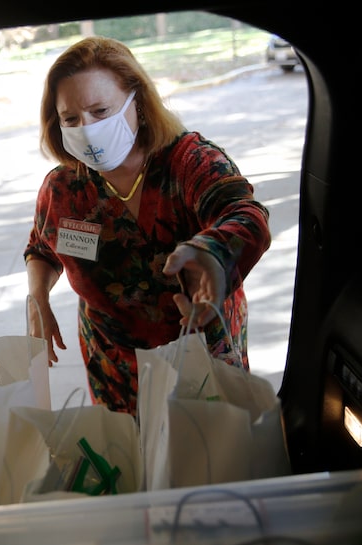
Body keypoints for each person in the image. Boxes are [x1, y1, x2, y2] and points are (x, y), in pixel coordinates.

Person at [24, 36, 271, 415]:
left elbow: (245, 215)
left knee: (210, 458)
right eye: (71, 119)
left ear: (136, 102)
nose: (87, 129)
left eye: (100, 111)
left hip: (199, 353)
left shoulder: (190, 163)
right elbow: (42, 248)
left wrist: (212, 254)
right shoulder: (64, 188)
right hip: (114, 364)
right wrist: (38, 295)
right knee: (130, 462)